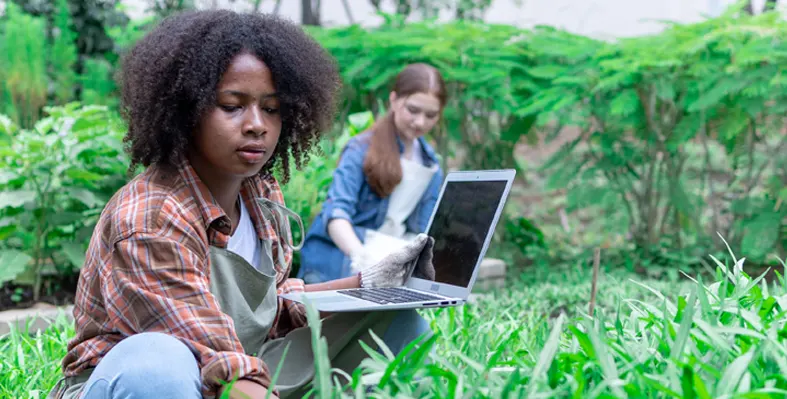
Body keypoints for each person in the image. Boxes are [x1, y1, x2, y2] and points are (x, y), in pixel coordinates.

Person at [47, 10, 435, 399]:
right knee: (158, 362)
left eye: (270, 108)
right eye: (232, 105)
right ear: (187, 109)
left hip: (240, 365)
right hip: (151, 382)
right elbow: (214, 360)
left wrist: (368, 285)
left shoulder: (261, 196)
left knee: (399, 327)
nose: (256, 125)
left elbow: (273, 310)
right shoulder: (152, 216)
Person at [298, 63, 447, 284]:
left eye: (431, 115)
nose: (420, 122)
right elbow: (337, 215)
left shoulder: (431, 164)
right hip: (339, 260)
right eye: (413, 110)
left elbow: (424, 232)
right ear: (394, 100)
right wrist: (363, 259)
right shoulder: (360, 149)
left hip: (390, 256)